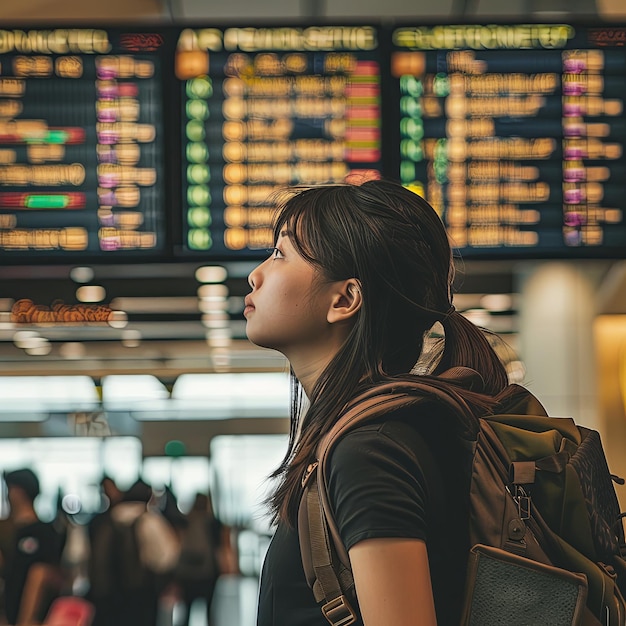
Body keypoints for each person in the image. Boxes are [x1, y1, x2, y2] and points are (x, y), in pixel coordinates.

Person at [245, 180, 511, 626]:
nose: (256, 275)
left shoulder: (370, 451)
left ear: (345, 298)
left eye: (280, 254)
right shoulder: (388, 432)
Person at [0, 468, 65, 625]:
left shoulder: (43, 531)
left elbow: (39, 575)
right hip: (10, 616)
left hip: (33, 619)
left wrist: (26, 619)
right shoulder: (10, 532)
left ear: (18, 492)